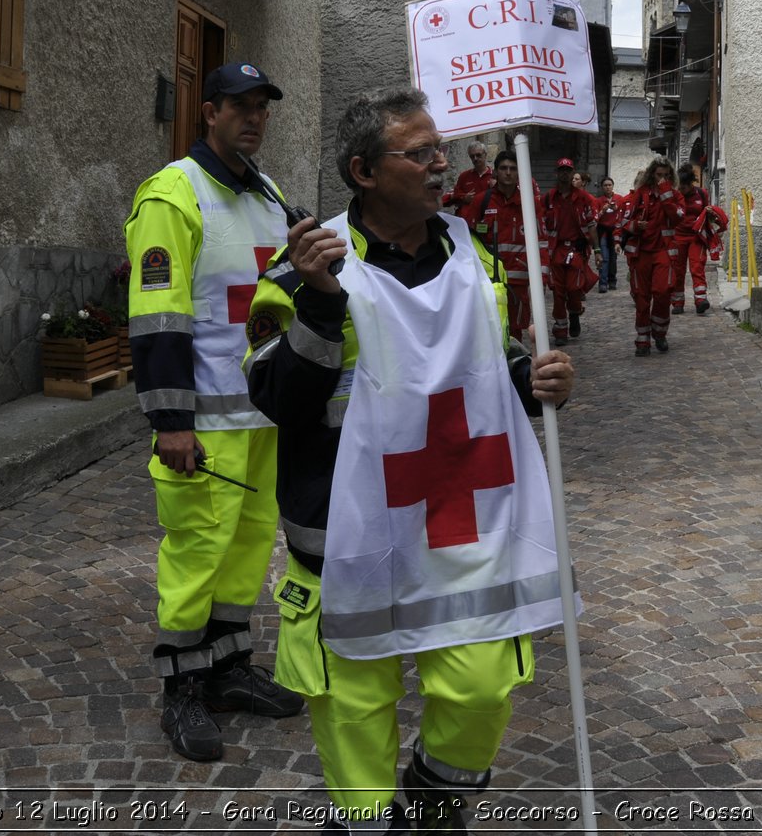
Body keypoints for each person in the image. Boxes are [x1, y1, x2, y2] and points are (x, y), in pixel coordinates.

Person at [243, 88, 576, 832]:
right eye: (419, 152)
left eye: (441, 149)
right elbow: (274, 395)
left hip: (463, 533)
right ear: (364, 170)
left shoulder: (472, 251)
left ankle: (431, 800)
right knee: (355, 721)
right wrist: (324, 305)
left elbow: (488, 366)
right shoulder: (301, 266)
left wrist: (534, 378)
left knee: (483, 689)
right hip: (345, 545)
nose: (441, 164)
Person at [124, 61, 304, 762]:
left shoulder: (268, 194)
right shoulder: (174, 194)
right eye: (239, 105)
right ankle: (183, 691)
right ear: (209, 113)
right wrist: (171, 420)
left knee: (248, 553)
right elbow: (158, 315)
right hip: (201, 425)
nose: (253, 117)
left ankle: (227, 671)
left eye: (262, 106)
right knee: (197, 557)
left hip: (260, 422)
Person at [460, 149, 544, 343]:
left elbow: (541, 242)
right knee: (486, 329)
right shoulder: (482, 201)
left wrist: (542, 279)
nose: (508, 173)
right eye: (503, 168)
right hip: (487, 281)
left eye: (513, 169)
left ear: (520, 173)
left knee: (514, 332)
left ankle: (514, 370)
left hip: (518, 283)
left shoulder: (530, 204)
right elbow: (468, 239)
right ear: (495, 172)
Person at [625, 154, 685, 355]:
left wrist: (666, 193)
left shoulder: (675, 195)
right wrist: (635, 226)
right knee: (641, 298)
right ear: (651, 174)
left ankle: (659, 332)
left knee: (663, 292)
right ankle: (642, 341)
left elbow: (677, 218)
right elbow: (624, 221)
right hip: (641, 253)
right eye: (659, 175)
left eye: (666, 176)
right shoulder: (640, 193)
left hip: (663, 252)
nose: (662, 179)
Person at [541, 157, 597, 347]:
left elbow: (591, 225)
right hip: (555, 250)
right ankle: (560, 329)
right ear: (557, 173)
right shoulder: (548, 198)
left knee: (574, 288)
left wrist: (597, 250)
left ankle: (574, 313)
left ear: (573, 173)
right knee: (557, 290)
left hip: (575, 249)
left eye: (568, 170)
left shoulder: (583, 198)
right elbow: (540, 223)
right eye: (561, 170)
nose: (565, 174)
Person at [671, 164, 713, 314]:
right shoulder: (675, 196)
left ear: (690, 184)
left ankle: (701, 300)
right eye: (678, 187)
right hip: (678, 237)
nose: (680, 190)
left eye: (683, 187)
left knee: (697, 267)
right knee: (678, 269)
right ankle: (677, 302)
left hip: (696, 237)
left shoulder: (702, 194)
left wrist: (709, 212)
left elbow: (707, 212)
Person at [442, 141, 493, 212]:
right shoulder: (464, 176)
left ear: (485, 154)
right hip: (468, 218)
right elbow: (455, 194)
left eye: (478, 155)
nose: (475, 158)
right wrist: (464, 197)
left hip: (487, 216)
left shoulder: (493, 176)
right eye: (472, 156)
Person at [594, 175, 621, 294]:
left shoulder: (619, 199)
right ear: (602, 187)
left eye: (609, 185)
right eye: (605, 185)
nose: (607, 187)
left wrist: (616, 209)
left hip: (615, 232)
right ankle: (602, 283)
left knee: (613, 258)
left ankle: (612, 281)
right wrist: (602, 211)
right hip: (604, 232)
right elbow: (595, 218)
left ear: (613, 186)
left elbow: (623, 215)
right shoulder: (598, 201)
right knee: (604, 257)